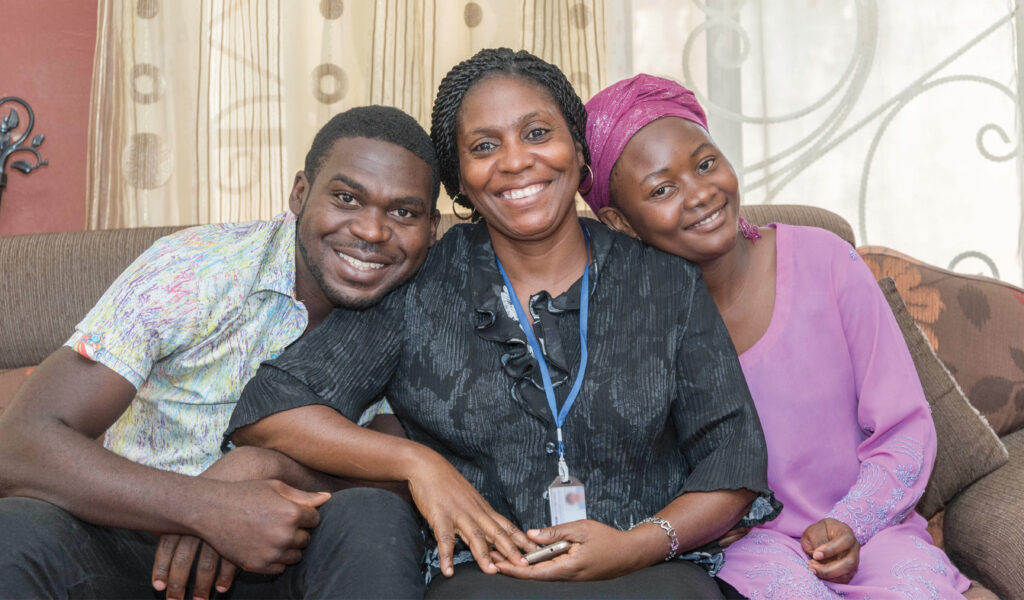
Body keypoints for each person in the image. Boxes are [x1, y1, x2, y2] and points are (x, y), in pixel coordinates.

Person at [226, 48, 781, 599]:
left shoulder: (665, 281)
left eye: (537, 133)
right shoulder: (421, 283)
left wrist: (637, 544)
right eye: (485, 146)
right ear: (460, 181)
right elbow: (272, 407)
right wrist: (418, 464)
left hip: (649, 571)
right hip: (484, 575)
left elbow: (732, 456)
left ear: (578, 151)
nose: (515, 161)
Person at [0, 105, 441, 599]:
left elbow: (411, 483)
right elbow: (19, 443)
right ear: (300, 193)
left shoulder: (426, 309)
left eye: (403, 212)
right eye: (346, 198)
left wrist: (268, 466)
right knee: (16, 529)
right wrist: (207, 508)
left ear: (432, 227)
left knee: (373, 516)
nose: (371, 231)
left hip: (297, 554)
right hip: (136, 545)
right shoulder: (196, 269)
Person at [581, 73, 973, 599]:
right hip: (743, 551)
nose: (700, 194)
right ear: (620, 222)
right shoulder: (632, 323)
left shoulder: (826, 261)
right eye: (662, 189)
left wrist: (851, 523)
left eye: (705, 163)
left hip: (871, 530)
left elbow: (904, 429)